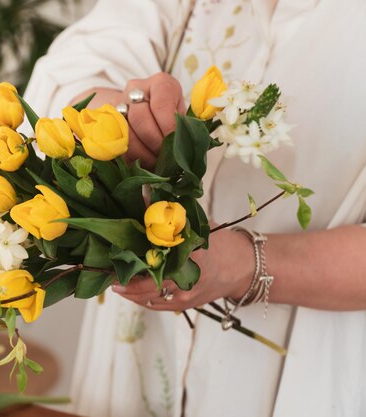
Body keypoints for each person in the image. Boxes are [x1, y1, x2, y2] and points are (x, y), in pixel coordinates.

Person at [22, 1, 366, 416]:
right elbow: (81, 58)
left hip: (312, 360)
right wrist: (116, 119)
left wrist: (245, 263)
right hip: (144, 344)